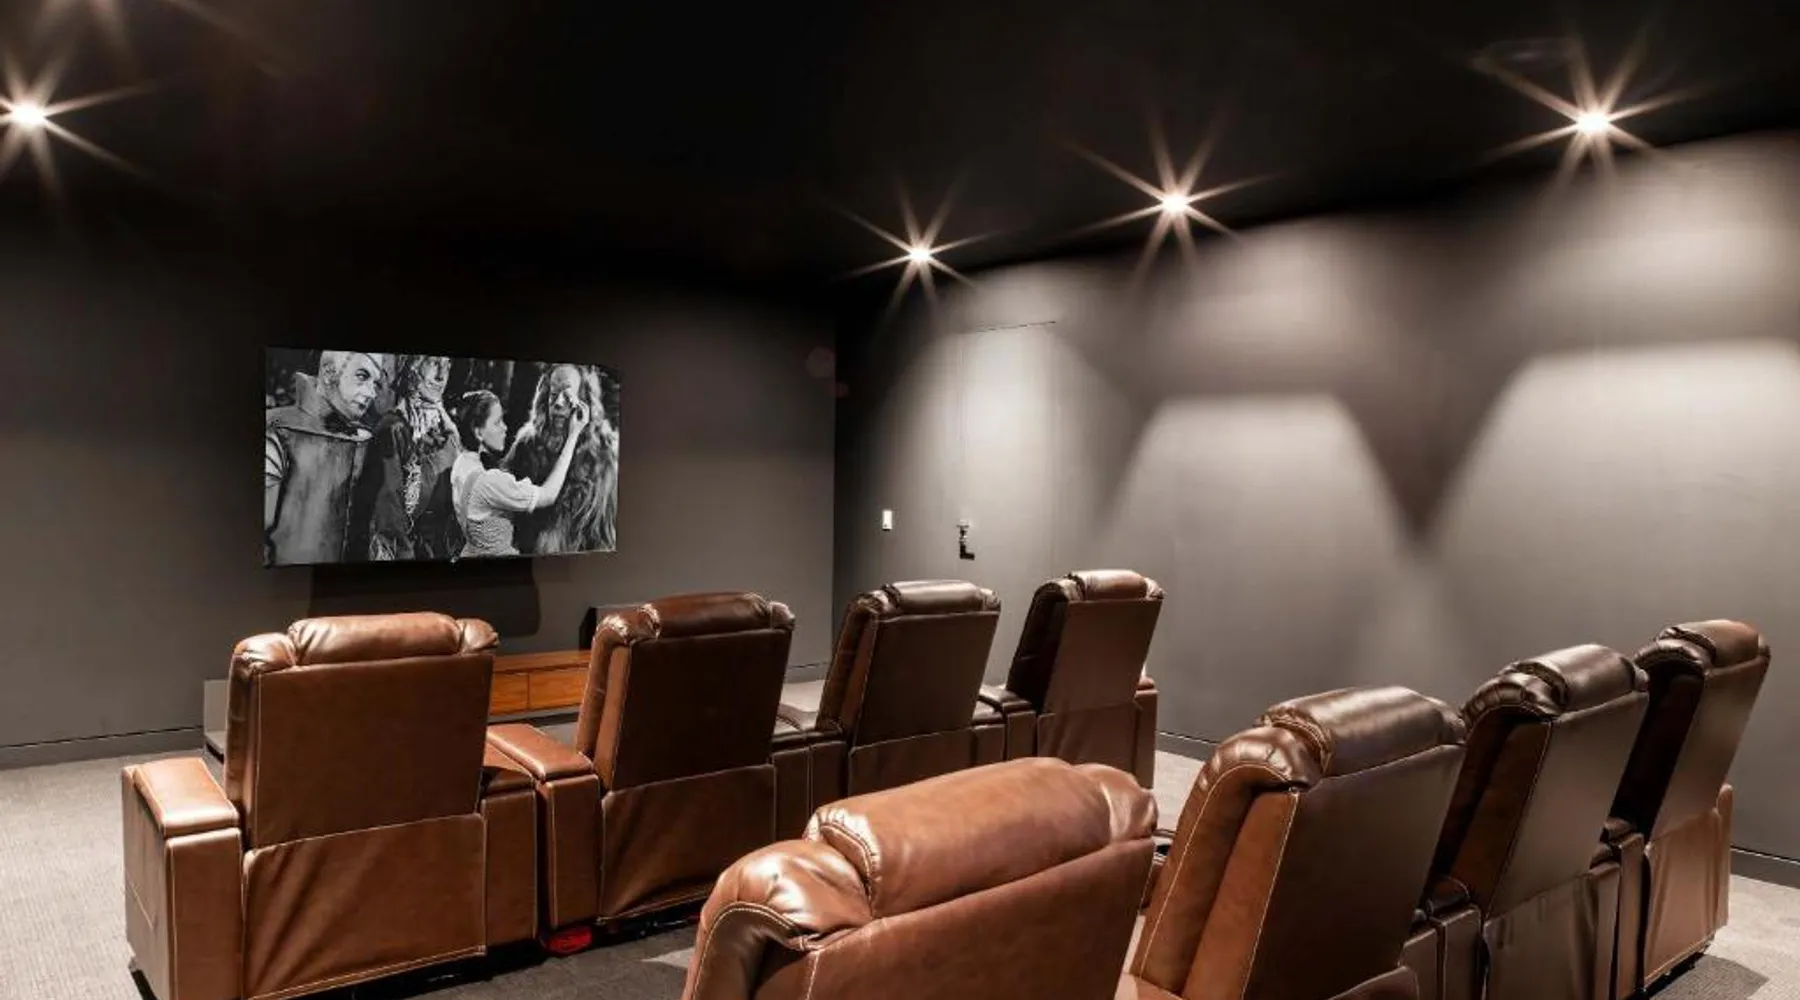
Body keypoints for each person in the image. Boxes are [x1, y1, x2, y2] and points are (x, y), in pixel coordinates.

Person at [264, 350, 389, 566]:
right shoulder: (277, 429)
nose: (371, 393)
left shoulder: (367, 439)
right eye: (362, 376)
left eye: (375, 383)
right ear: (330, 373)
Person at [451, 388, 589, 559]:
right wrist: (573, 434)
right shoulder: (489, 482)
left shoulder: (461, 463)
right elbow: (548, 495)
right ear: (478, 432)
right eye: (497, 422)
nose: (505, 428)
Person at [348, 354, 461, 561]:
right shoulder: (393, 430)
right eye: (433, 363)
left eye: (447, 364)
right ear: (412, 368)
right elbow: (387, 521)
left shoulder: (446, 434)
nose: (441, 376)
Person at [503, 364, 619, 555]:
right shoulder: (526, 446)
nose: (558, 403)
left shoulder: (602, 459)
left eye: (567, 395)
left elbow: (605, 542)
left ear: (585, 402)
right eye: (553, 394)